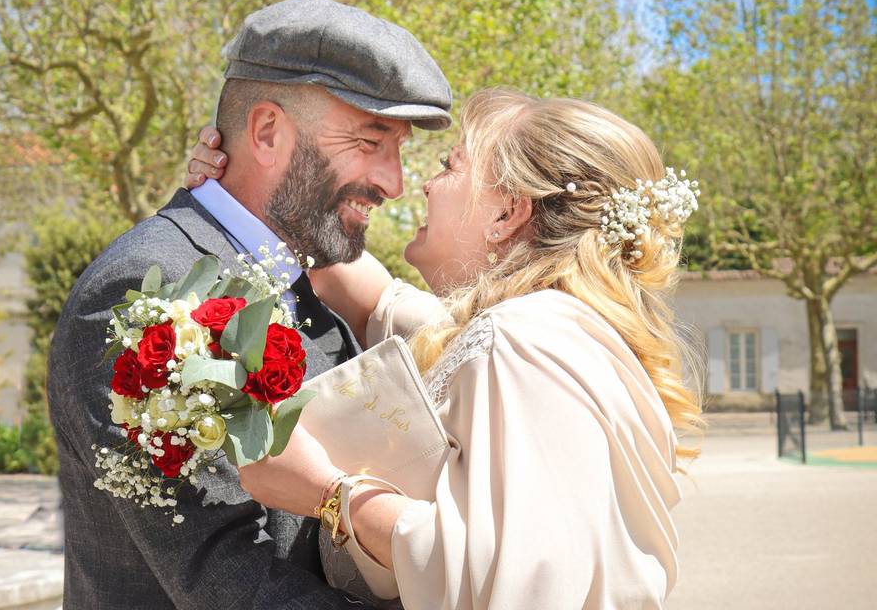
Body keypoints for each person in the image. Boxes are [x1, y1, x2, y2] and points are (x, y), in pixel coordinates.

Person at [186, 88, 704, 609]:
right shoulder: (542, 332)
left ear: (508, 212)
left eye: (449, 165)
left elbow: (524, 583)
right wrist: (243, 187)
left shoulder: (523, 342)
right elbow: (371, 296)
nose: (422, 186)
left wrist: (330, 493)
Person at [47, 0, 451, 609]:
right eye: (371, 142)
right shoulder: (140, 295)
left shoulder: (306, 281)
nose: (394, 183)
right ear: (266, 132)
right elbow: (225, 576)